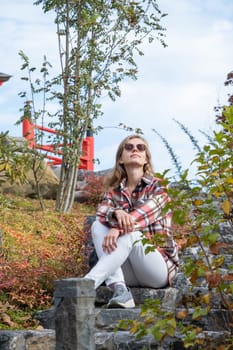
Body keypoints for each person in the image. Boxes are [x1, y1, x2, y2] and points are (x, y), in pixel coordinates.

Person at [84, 134, 179, 308]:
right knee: (98, 226)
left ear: (146, 159)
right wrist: (117, 212)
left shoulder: (160, 187)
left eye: (140, 148)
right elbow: (102, 214)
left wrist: (117, 229)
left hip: (156, 269)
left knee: (133, 234)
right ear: (121, 158)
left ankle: (85, 286)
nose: (135, 149)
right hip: (126, 270)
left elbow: (143, 215)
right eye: (129, 147)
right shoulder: (113, 192)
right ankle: (120, 290)